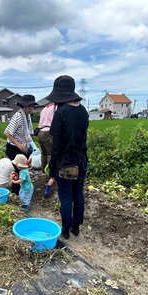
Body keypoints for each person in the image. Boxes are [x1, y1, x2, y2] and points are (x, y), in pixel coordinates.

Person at [44, 75, 89, 239]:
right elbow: (84, 138)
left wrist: (52, 167)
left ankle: (65, 230)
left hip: (64, 164)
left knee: (66, 199)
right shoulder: (84, 111)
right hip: (81, 161)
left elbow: (56, 146)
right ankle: (76, 227)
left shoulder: (61, 112)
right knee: (78, 196)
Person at [4, 94, 37, 194]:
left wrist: (26, 145)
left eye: (32, 106)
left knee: (22, 170)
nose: (32, 109)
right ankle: (16, 192)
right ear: (25, 106)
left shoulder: (27, 117)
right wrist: (19, 145)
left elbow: (26, 134)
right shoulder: (18, 116)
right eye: (30, 106)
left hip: (22, 147)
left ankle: (20, 191)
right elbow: (7, 133)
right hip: (13, 148)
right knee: (18, 170)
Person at [37, 102, 56, 196]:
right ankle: (51, 175)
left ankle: (44, 171)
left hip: (40, 132)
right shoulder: (55, 108)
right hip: (48, 132)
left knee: (43, 153)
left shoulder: (44, 108)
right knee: (51, 154)